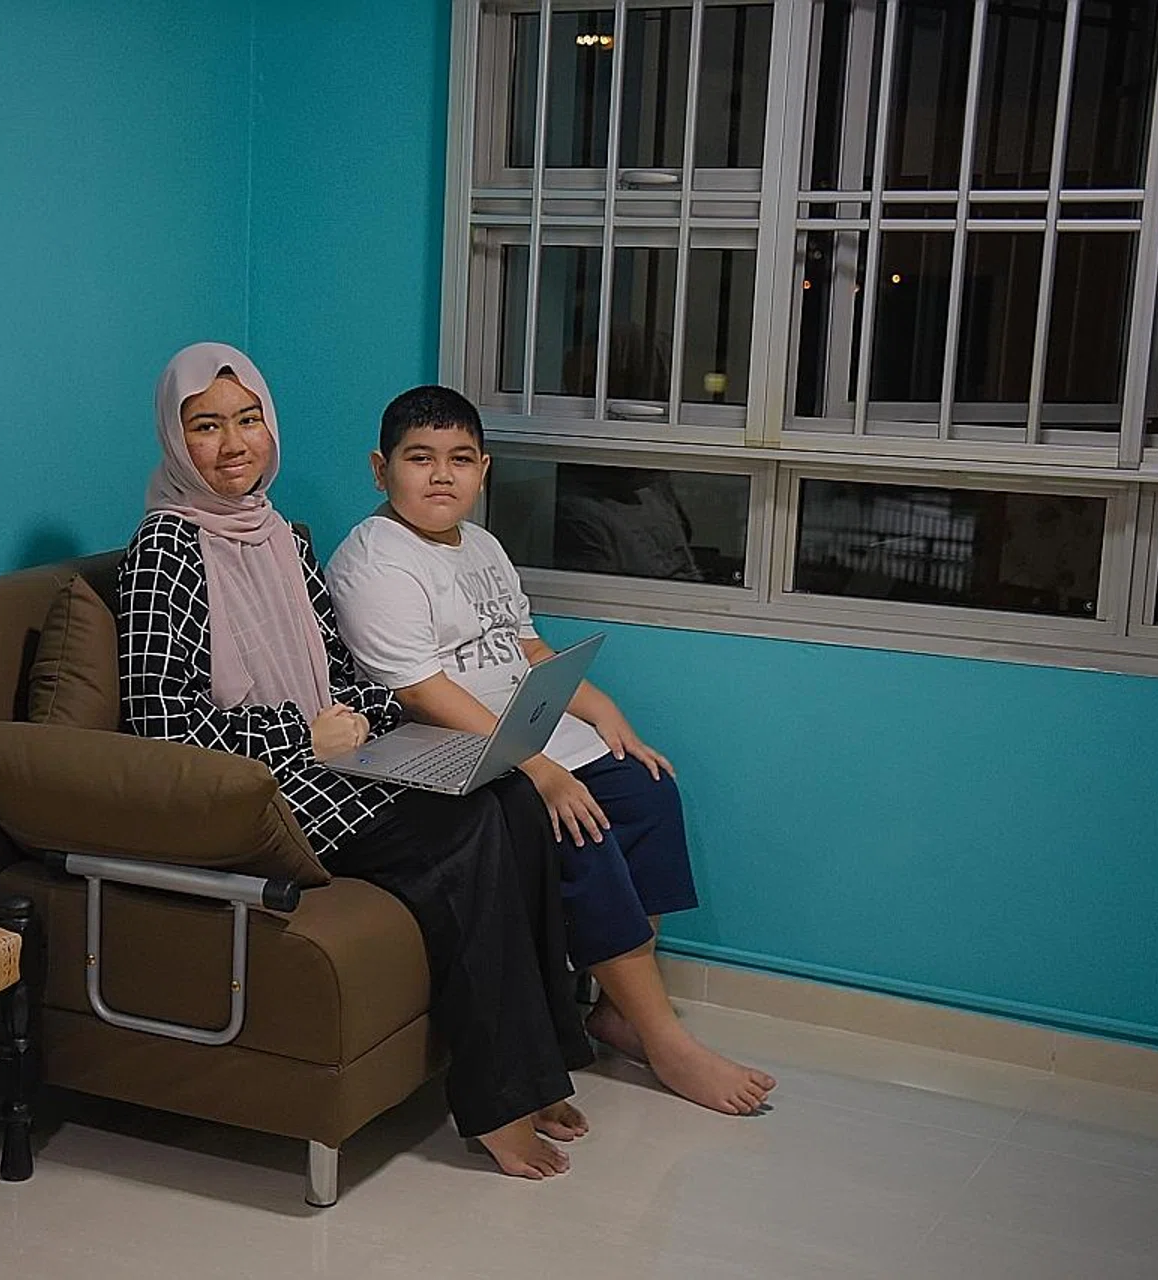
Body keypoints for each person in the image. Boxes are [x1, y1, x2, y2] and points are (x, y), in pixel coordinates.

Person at [119, 343, 589, 1178]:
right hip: (258, 791)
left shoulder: (281, 538)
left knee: (510, 795)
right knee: (470, 823)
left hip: (335, 763)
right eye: (206, 426)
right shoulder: (165, 550)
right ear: (172, 439)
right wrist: (302, 736)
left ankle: (541, 1060)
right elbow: (161, 730)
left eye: (249, 418)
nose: (234, 443)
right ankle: (497, 1099)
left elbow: (345, 677)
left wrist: (358, 721)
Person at [326, 384, 777, 1116]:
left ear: (485, 470)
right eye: (420, 459)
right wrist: (540, 769)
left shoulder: (482, 545)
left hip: (522, 730)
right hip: (451, 747)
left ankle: (619, 1011)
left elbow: (527, 646)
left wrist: (605, 714)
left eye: (460, 460)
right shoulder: (375, 560)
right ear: (381, 470)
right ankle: (668, 1043)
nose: (442, 475)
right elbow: (419, 692)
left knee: (646, 787)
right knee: (580, 820)